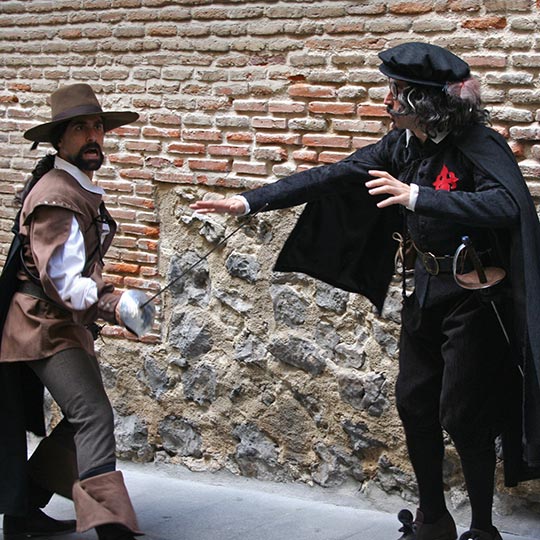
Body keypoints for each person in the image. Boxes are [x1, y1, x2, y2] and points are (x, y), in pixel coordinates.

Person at [190, 42, 540, 540]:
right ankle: (433, 520)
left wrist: (419, 197)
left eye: (395, 91)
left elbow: (507, 206)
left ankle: (483, 529)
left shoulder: (477, 145)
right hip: (423, 292)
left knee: (463, 414)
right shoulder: (401, 147)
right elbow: (333, 175)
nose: (386, 100)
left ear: (421, 99)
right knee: (414, 403)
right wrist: (248, 201)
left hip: (475, 297)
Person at [0, 84, 145, 540]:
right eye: (80, 127)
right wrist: (114, 303)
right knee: (93, 415)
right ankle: (111, 527)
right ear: (59, 139)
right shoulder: (57, 195)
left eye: (97, 126)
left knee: (83, 418)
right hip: (42, 325)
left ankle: (23, 510)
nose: (93, 135)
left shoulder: (74, 186)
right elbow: (60, 282)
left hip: (61, 323)